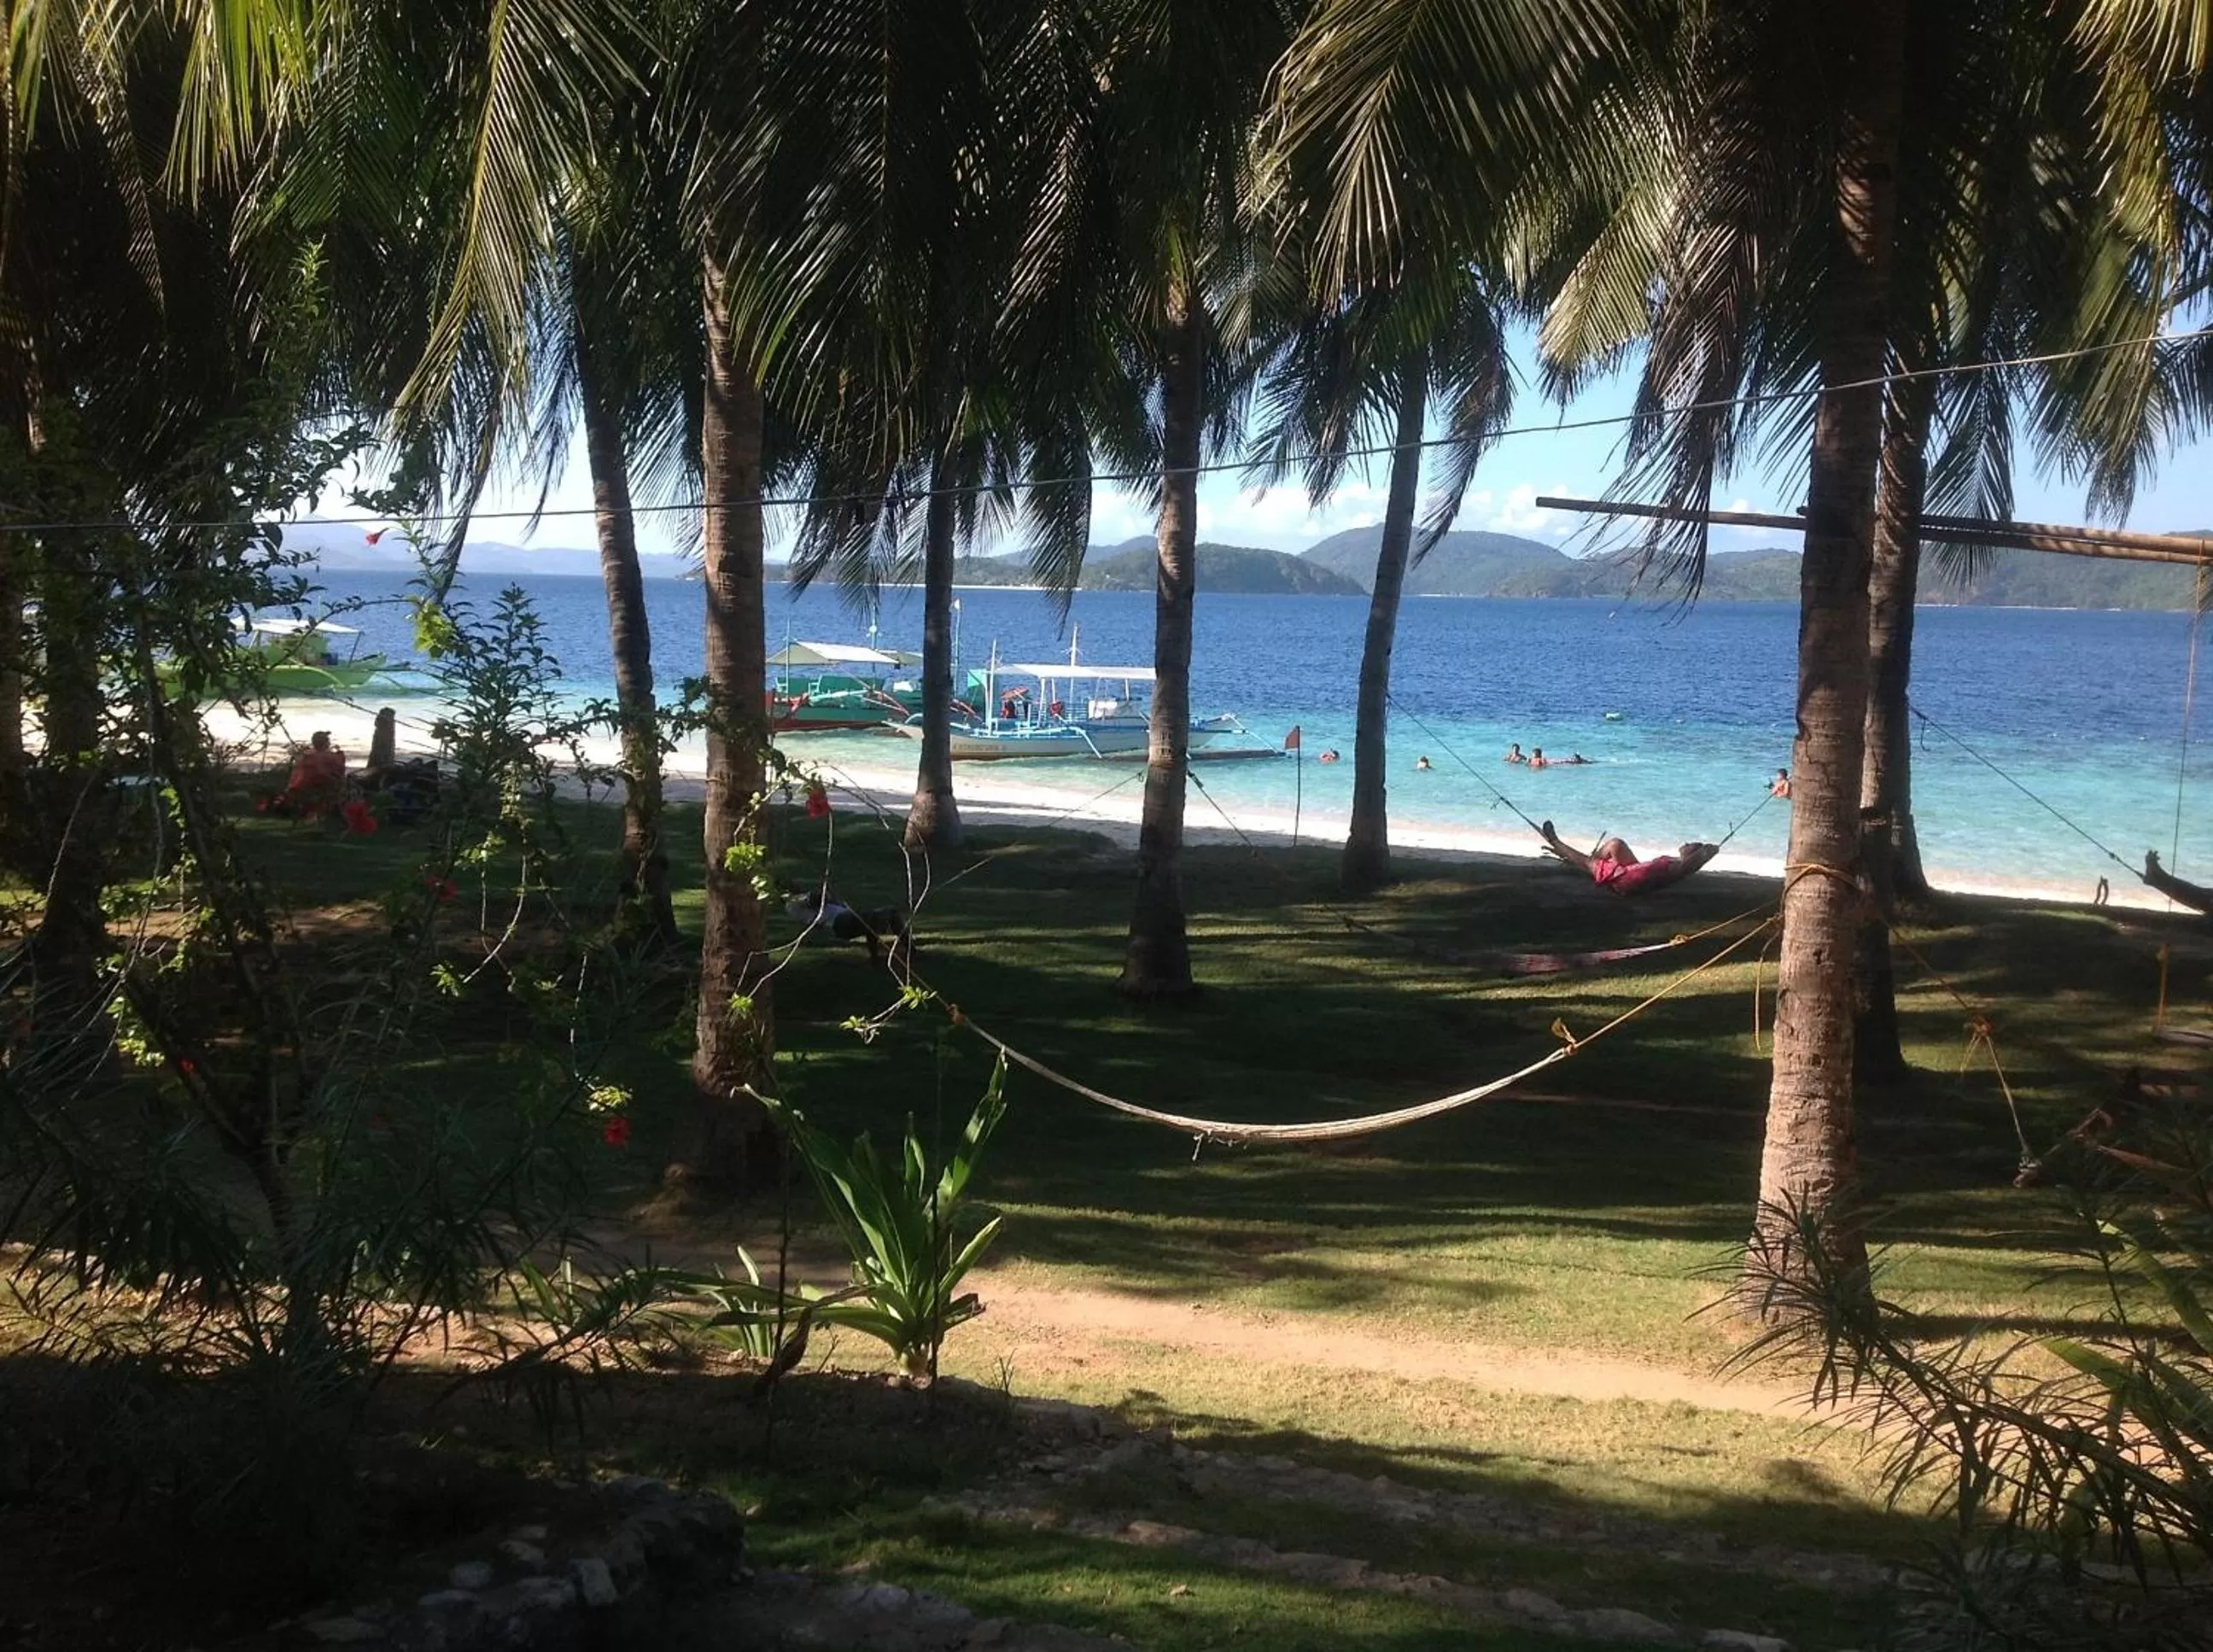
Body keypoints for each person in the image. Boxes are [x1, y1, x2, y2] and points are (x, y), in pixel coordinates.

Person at [1538, 819, 1720, 895]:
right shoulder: (1675, 863)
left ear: (1691, 855)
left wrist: (1707, 853)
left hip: (1627, 880)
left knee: (1588, 862)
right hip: (1637, 871)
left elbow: (1693, 864)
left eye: (1689, 845)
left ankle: (1556, 842)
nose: (1685, 844)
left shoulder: (1679, 869)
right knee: (1616, 844)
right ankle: (1596, 861)